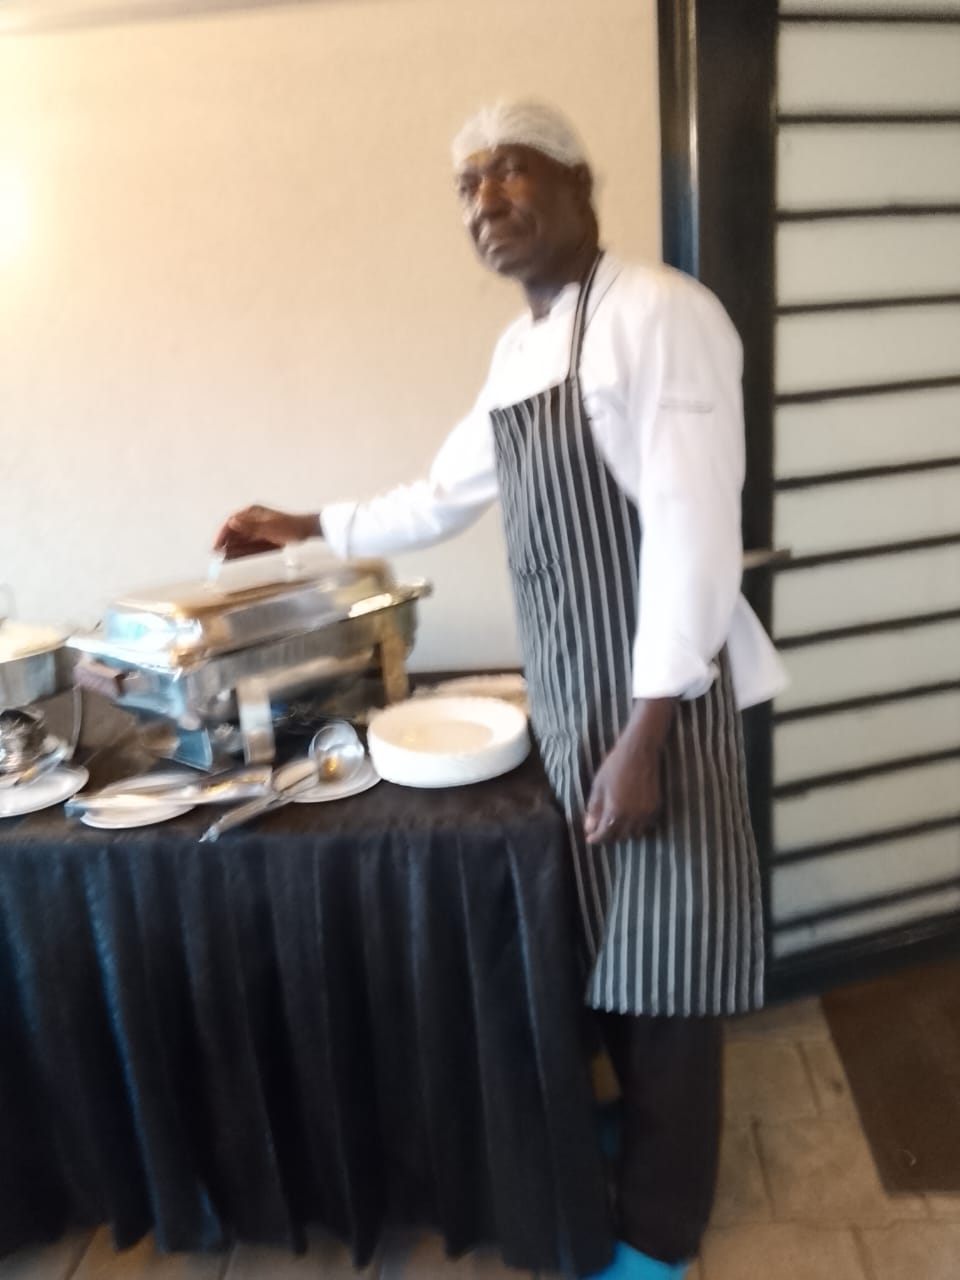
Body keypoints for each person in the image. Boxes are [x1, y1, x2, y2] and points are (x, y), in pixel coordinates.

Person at [215, 100, 786, 1280]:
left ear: (581, 183)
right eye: (469, 185)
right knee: (612, 940)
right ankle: (643, 1139)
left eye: (512, 172)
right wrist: (306, 524)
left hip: (661, 699)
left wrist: (645, 734)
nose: (486, 201)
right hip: (576, 696)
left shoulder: (662, 314)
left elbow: (693, 537)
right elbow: (440, 496)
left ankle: (661, 1231)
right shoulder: (524, 351)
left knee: (670, 958)